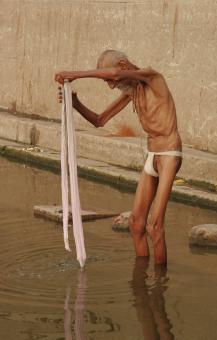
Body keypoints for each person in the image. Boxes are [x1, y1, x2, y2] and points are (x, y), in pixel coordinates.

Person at [55, 50, 182, 265]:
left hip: (169, 153)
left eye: (110, 81)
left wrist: (73, 74)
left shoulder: (153, 77)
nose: (111, 85)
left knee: (154, 225)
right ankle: (141, 274)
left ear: (123, 65)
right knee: (136, 223)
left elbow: (113, 74)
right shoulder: (131, 92)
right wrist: (76, 104)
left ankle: (160, 282)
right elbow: (99, 120)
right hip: (152, 154)